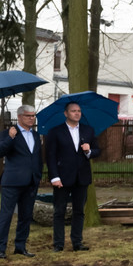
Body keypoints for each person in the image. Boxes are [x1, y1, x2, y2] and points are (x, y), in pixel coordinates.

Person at [45, 102, 101, 252]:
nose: (77, 113)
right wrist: (54, 177)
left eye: (79, 111)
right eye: (73, 111)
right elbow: (50, 156)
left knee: (79, 211)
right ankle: (58, 244)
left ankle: (77, 242)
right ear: (66, 113)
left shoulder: (88, 130)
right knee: (59, 211)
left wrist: (89, 151)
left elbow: (97, 150)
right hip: (62, 178)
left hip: (81, 177)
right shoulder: (55, 132)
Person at [0, 105, 43, 259]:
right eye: (28, 115)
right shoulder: (7, 133)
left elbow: (36, 157)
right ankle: (0, 248)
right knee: (6, 215)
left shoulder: (35, 135)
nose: (31, 118)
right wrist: (11, 137)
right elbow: (0, 152)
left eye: (33, 115)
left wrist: (38, 175)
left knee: (26, 216)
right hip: (12, 182)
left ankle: (20, 247)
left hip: (31, 182)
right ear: (19, 116)